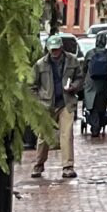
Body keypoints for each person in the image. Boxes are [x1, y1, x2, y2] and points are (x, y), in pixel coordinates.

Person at [30, 36, 79, 178]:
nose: (54, 52)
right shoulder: (40, 64)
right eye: (52, 50)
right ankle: (39, 164)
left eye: (57, 49)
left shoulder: (72, 61)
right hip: (47, 105)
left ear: (61, 48)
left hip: (66, 103)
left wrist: (74, 87)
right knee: (43, 136)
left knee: (67, 134)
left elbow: (80, 77)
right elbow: (31, 85)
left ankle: (67, 166)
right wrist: (37, 101)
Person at [82, 30, 107, 139]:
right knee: (102, 104)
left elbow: (84, 69)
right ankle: (100, 123)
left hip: (91, 83)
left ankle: (94, 126)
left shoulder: (90, 53)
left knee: (91, 105)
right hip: (103, 82)